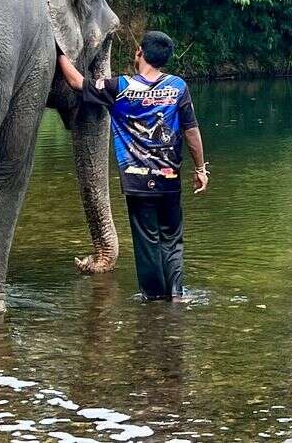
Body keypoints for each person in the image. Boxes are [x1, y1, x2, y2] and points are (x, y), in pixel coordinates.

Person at [56, 30, 208, 300]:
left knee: (147, 242)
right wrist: (199, 170)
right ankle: (176, 295)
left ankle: (152, 299)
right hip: (169, 179)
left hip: (137, 182)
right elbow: (191, 131)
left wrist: (58, 52)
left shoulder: (121, 87)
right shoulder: (177, 87)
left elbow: (77, 82)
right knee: (172, 240)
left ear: (140, 52)